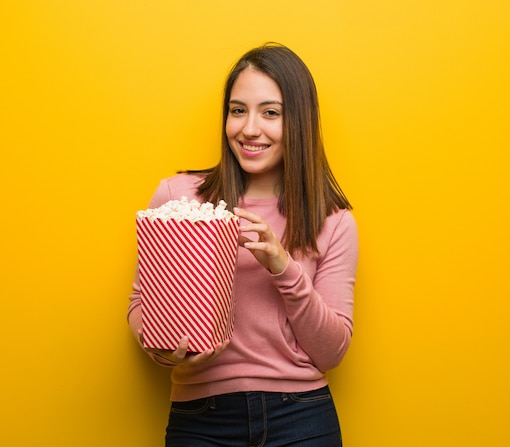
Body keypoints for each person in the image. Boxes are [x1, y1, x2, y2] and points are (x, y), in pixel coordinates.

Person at [127, 42, 359, 446]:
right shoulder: (178, 198)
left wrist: (283, 267)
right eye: (238, 110)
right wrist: (161, 348)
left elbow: (332, 351)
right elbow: (140, 304)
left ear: (300, 122)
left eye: (271, 113)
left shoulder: (334, 220)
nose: (249, 128)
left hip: (302, 416)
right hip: (202, 417)